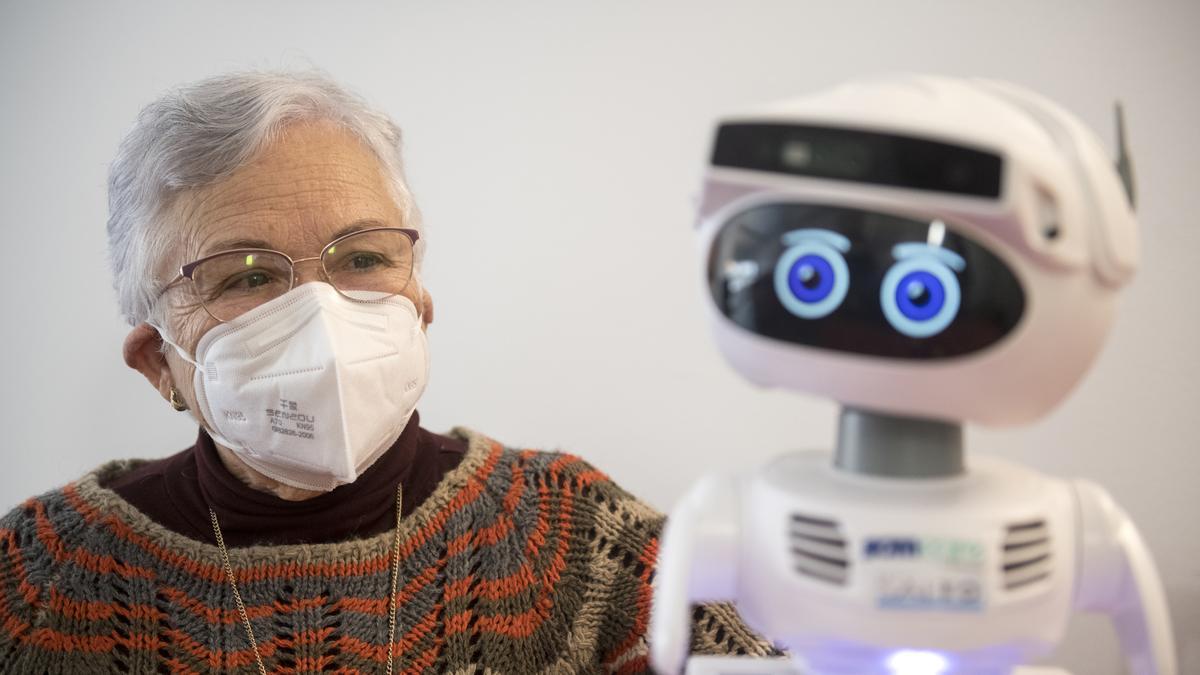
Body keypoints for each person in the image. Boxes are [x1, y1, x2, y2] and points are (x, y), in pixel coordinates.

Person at [0, 70, 778, 673]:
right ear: (156, 362)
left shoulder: (575, 540)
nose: (319, 313)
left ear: (419, 302)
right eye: (245, 275)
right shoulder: (36, 579)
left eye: (364, 257)